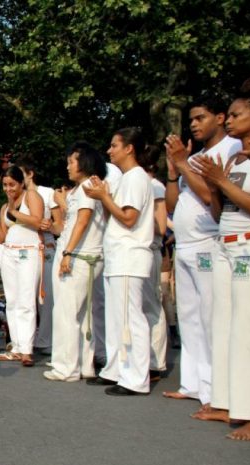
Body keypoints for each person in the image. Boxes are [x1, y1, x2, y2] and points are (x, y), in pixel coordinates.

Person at [163, 95, 241, 410]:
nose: (194, 124)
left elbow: (213, 197)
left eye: (200, 118)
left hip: (210, 243)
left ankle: (215, 393)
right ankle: (193, 384)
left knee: (211, 318)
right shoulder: (195, 157)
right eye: (191, 119)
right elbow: (172, 204)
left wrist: (182, 163)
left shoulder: (230, 150)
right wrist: (173, 171)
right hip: (185, 243)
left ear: (220, 118)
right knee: (189, 317)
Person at [192, 81, 250, 440]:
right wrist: (216, 188)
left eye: (236, 114)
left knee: (247, 330)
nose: (229, 121)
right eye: (228, 115)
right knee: (224, 325)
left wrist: (221, 183)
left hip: (248, 246)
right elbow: (220, 211)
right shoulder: (233, 159)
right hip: (224, 244)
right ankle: (226, 401)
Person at [84, 127, 154, 396]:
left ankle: (136, 378)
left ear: (129, 148)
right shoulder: (126, 178)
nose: (109, 150)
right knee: (116, 318)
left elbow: (128, 218)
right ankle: (115, 369)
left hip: (130, 254)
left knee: (129, 318)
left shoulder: (136, 177)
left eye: (114, 145)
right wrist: (103, 197)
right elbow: (117, 214)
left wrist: (104, 197)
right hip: (117, 255)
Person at [43, 142, 107, 381]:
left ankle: (66, 367)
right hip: (83, 255)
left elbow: (83, 219)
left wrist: (68, 252)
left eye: (71, 161)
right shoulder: (85, 187)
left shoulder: (87, 187)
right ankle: (83, 364)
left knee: (67, 312)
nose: (68, 166)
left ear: (84, 163)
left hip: (79, 256)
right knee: (81, 314)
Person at [0, 165, 44, 367]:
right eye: (4, 185)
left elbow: (37, 221)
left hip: (28, 250)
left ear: (21, 183)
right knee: (11, 301)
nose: (8, 189)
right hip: (9, 251)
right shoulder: (5, 207)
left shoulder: (32, 196)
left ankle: (27, 349)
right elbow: (2, 237)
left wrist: (14, 211)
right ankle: (17, 345)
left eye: (12, 184)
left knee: (26, 300)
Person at [16, 155, 61, 354]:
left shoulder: (47, 193)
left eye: (20, 175)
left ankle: (46, 341)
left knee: (46, 298)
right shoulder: (17, 196)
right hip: (23, 249)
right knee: (25, 298)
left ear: (30, 174)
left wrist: (50, 224)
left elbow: (60, 225)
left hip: (45, 247)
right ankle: (25, 339)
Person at [143, 146, 169, 380]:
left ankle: (155, 362)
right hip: (136, 250)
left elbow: (161, 226)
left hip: (149, 248)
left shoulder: (154, 186)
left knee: (151, 304)